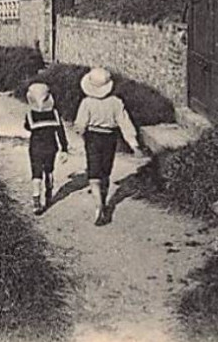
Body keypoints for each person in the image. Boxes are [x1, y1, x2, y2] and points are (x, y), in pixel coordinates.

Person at [72, 66, 142, 227]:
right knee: (105, 172)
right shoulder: (116, 102)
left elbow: (80, 125)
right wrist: (134, 144)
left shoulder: (87, 102)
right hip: (110, 138)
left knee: (93, 174)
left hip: (93, 138)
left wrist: (79, 132)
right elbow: (125, 123)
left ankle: (99, 207)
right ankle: (103, 200)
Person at [22, 82, 68, 214]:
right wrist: (64, 148)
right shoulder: (55, 114)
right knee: (49, 169)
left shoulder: (30, 115)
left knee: (36, 173)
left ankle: (36, 201)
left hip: (35, 146)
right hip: (51, 146)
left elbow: (27, 127)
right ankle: (49, 192)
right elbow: (60, 132)